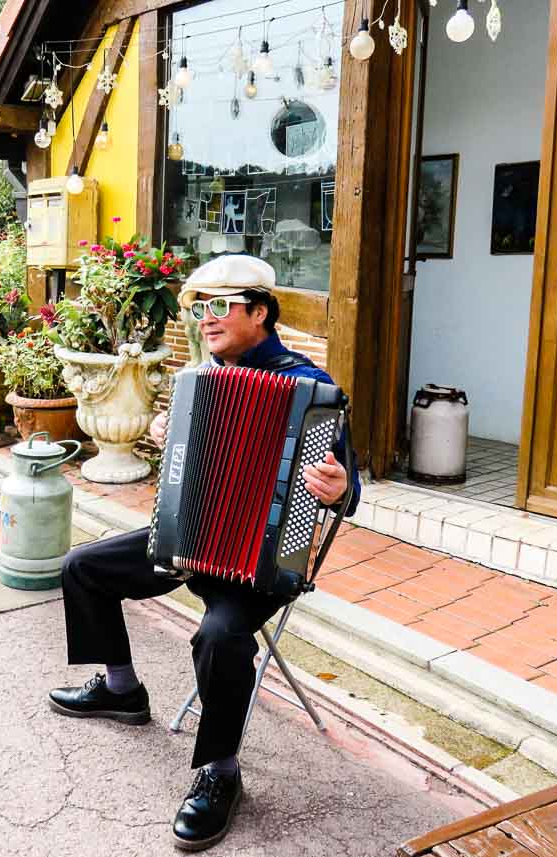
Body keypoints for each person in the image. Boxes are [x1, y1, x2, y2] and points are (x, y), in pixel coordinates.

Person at [48, 254, 360, 852]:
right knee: (82, 568)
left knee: (218, 636)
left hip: (264, 563)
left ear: (260, 312)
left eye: (220, 307)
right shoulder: (200, 378)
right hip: (189, 544)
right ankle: (121, 689)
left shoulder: (313, 391)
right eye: (200, 309)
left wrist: (340, 489)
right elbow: (181, 479)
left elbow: (351, 492)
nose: (207, 321)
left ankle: (220, 771)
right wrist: (171, 441)